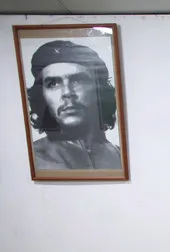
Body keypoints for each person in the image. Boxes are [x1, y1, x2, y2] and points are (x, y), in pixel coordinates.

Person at [27, 40, 121, 170]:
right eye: (53, 84)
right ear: (41, 96)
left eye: (78, 80)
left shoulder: (121, 157)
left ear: (99, 91)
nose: (67, 93)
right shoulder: (30, 159)